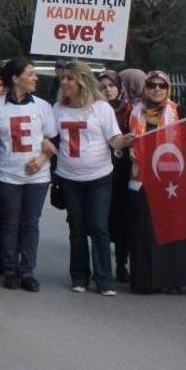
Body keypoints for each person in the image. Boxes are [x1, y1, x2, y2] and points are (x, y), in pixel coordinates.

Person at [125, 71, 186, 294]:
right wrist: (128, 148)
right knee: (142, 231)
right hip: (140, 180)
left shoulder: (180, 112)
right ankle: (143, 281)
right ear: (145, 87)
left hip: (171, 182)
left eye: (162, 85)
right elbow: (122, 140)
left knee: (168, 230)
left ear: (168, 88)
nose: (157, 89)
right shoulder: (133, 113)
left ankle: (169, 278)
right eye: (151, 85)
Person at [53, 61, 131, 295]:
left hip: (98, 176)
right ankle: (79, 276)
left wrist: (124, 141)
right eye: (63, 78)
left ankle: (104, 279)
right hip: (69, 177)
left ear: (82, 81)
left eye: (70, 78)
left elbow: (113, 138)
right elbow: (49, 136)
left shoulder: (101, 108)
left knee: (98, 226)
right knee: (76, 227)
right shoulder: (57, 108)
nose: (65, 82)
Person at [0, 57, 57, 292]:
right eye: (30, 74)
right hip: (9, 175)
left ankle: (27, 270)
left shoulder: (42, 106)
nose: (35, 78)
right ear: (16, 79)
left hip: (37, 177)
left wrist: (41, 159)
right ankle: (9, 270)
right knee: (9, 223)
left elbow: (52, 139)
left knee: (30, 223)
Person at [97, 70, 133, 282]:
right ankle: (99, 267)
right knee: (98, 222)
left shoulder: (131, 111)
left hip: (123, 173)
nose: (108, 90)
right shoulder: (92, 110)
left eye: (111, 86)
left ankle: (121, 265)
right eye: (102, 87)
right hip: (99, 171)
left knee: (122, 222)